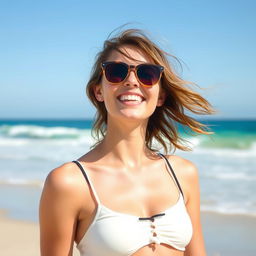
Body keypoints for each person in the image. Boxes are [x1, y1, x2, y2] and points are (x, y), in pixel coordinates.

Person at [39, 28, 214, 256]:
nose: (131, 81)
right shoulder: (68, 183)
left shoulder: (183, 174)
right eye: (116, 71)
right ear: (98, 91)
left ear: (160, 96)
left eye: (147, 74)